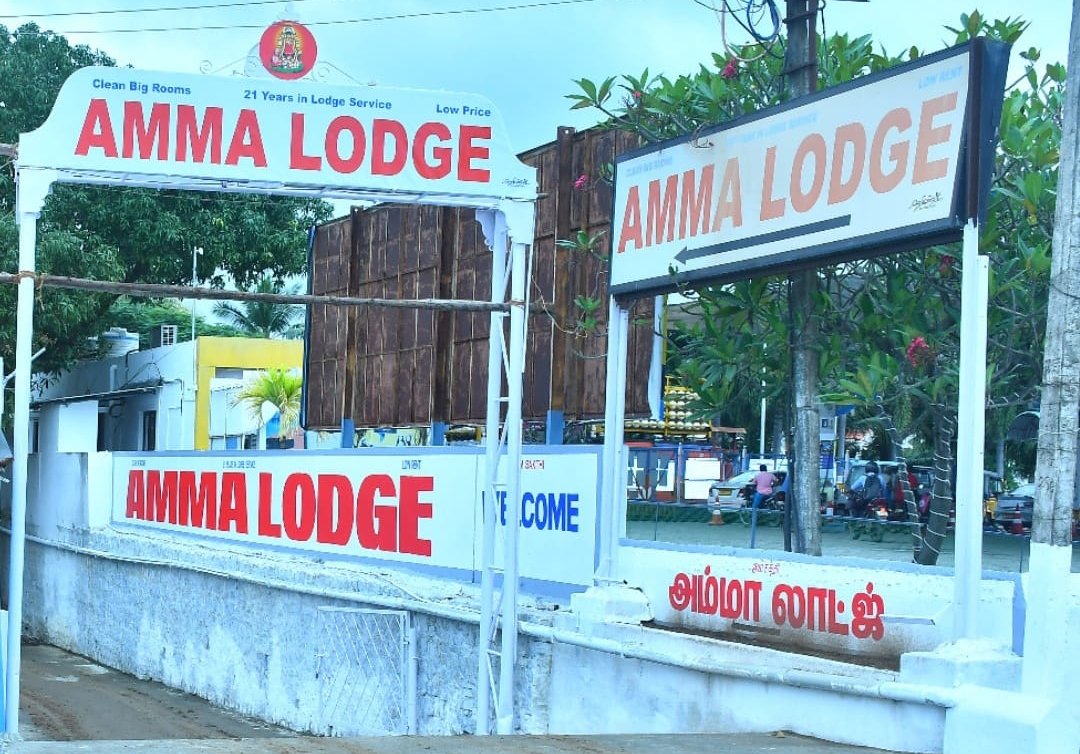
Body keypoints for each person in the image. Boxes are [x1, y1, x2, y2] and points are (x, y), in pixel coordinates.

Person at [749, 464, 776, 548]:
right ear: (766, 469)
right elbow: (776, 480)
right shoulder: (770, 475)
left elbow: (753, 483)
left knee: (754, 506)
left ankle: (754, 518)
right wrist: (771, 485)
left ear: (760, 469)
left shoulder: (758, 476)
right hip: (769, 492)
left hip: (760, 493)